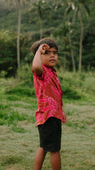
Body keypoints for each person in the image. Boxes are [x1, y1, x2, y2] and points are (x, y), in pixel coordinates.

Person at [31, 38, 67, 170]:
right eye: (46, 53)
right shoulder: (42, 71)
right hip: (48, 117)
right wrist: (39, 49)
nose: (52, 55)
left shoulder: (52, 72)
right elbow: (35, 66)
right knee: (54, 150)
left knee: (45, 147)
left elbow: (56, 96)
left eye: (55, 52)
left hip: (53, 115)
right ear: (38, 56)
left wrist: (62, 112)